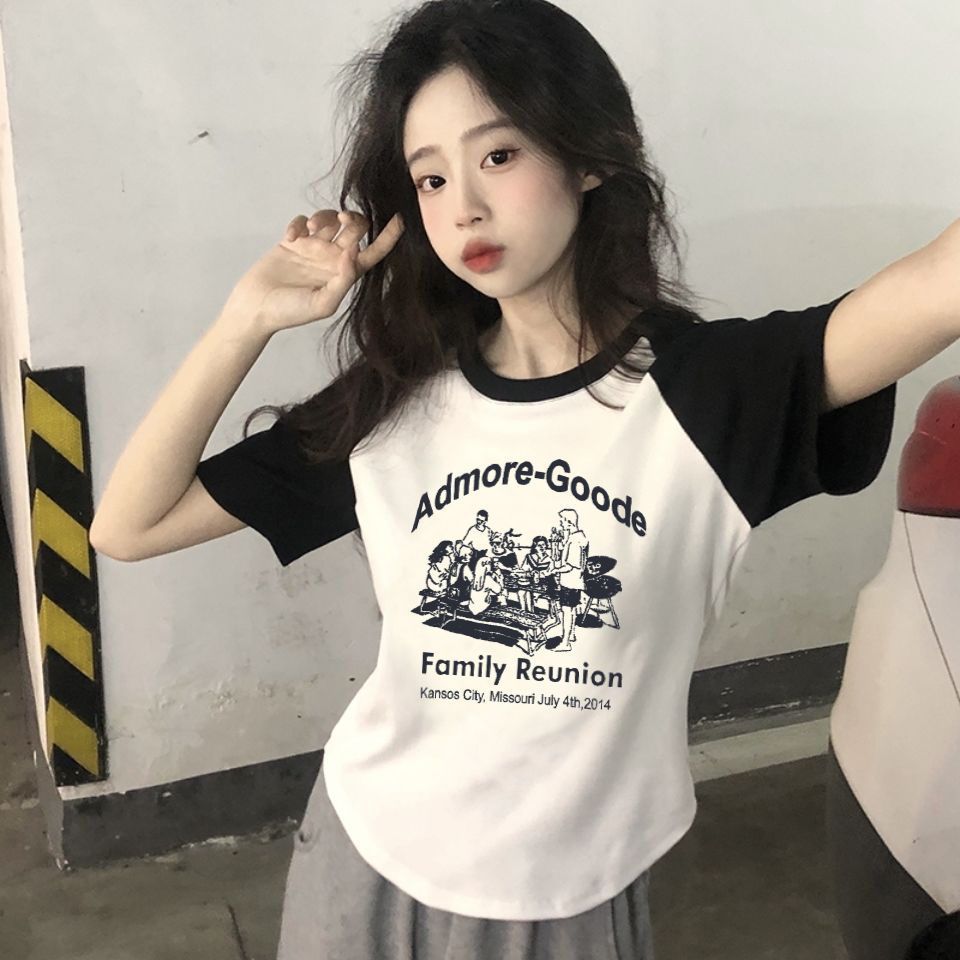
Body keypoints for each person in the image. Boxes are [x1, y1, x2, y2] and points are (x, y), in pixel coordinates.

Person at [88, 1, 960, 957]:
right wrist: (246, 319)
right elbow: (128, 526)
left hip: (566, 891)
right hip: (362, 858)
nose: (463, 205)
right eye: (431, 177)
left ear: (590, 157)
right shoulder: (394, 401)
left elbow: (938, 285)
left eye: (498, 155)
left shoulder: (711, 393)